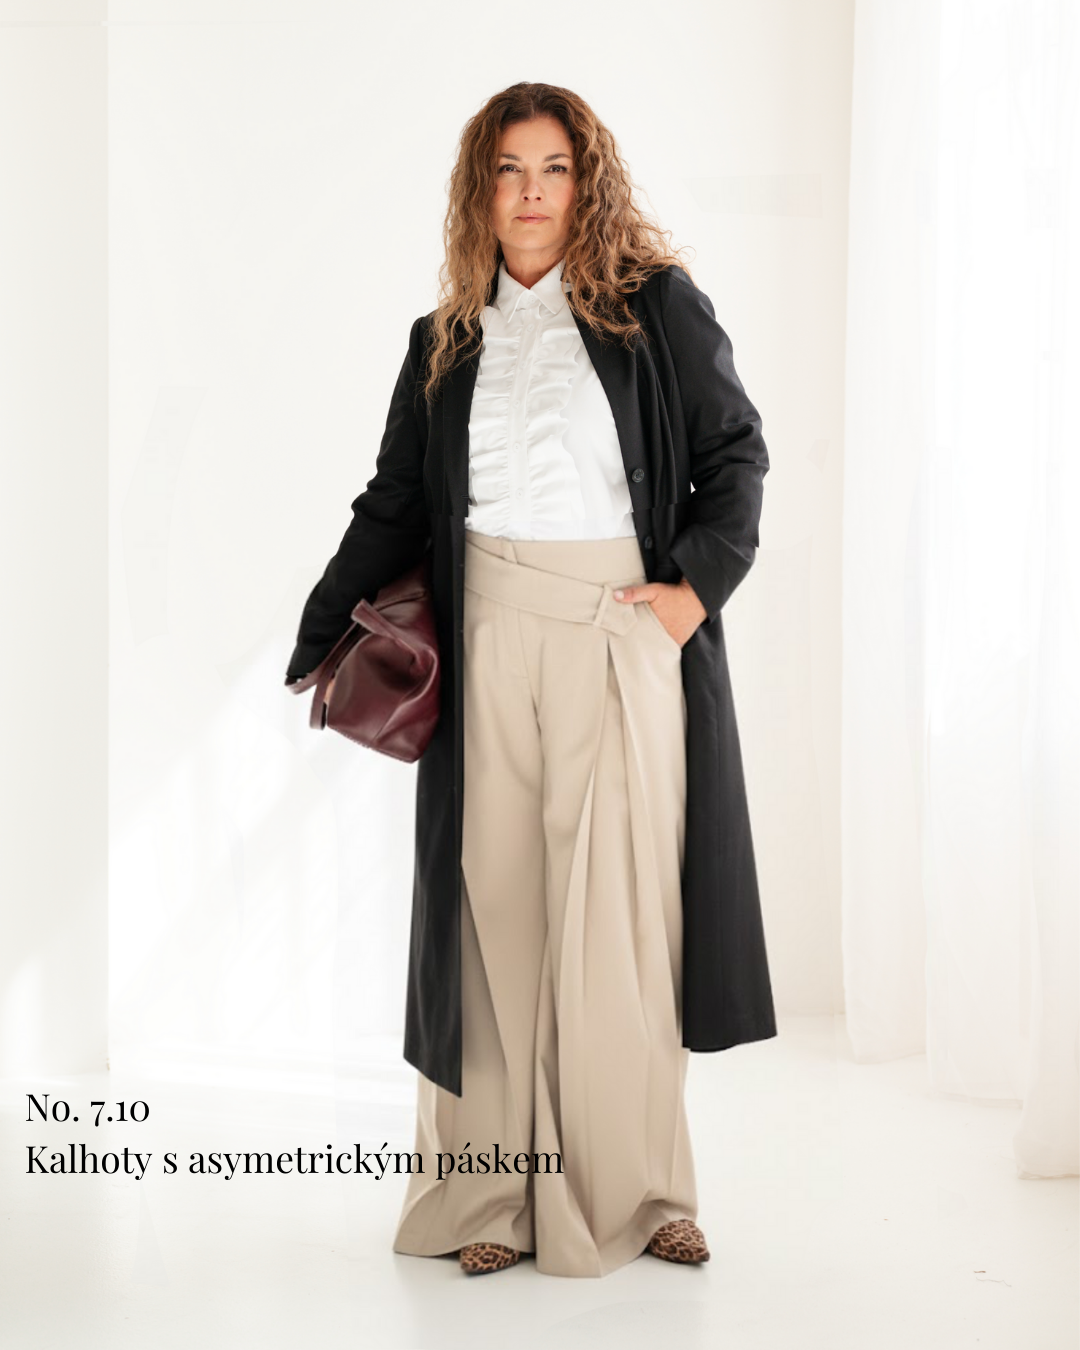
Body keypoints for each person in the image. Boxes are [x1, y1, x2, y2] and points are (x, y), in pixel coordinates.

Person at [285, 82, 776, 1279]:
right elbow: (395, 501)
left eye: (554, 168)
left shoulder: (656, 307)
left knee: (619, 925)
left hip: (617, 633)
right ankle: (490, 1199)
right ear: (480, 190)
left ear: (586, 182)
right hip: (486, 636)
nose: (532, 193)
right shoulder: (443, 339)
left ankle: (642, 1194)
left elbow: (735, 451)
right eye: (508, 171)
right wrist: (321, 632)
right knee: (491, 916)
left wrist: (692, 592)